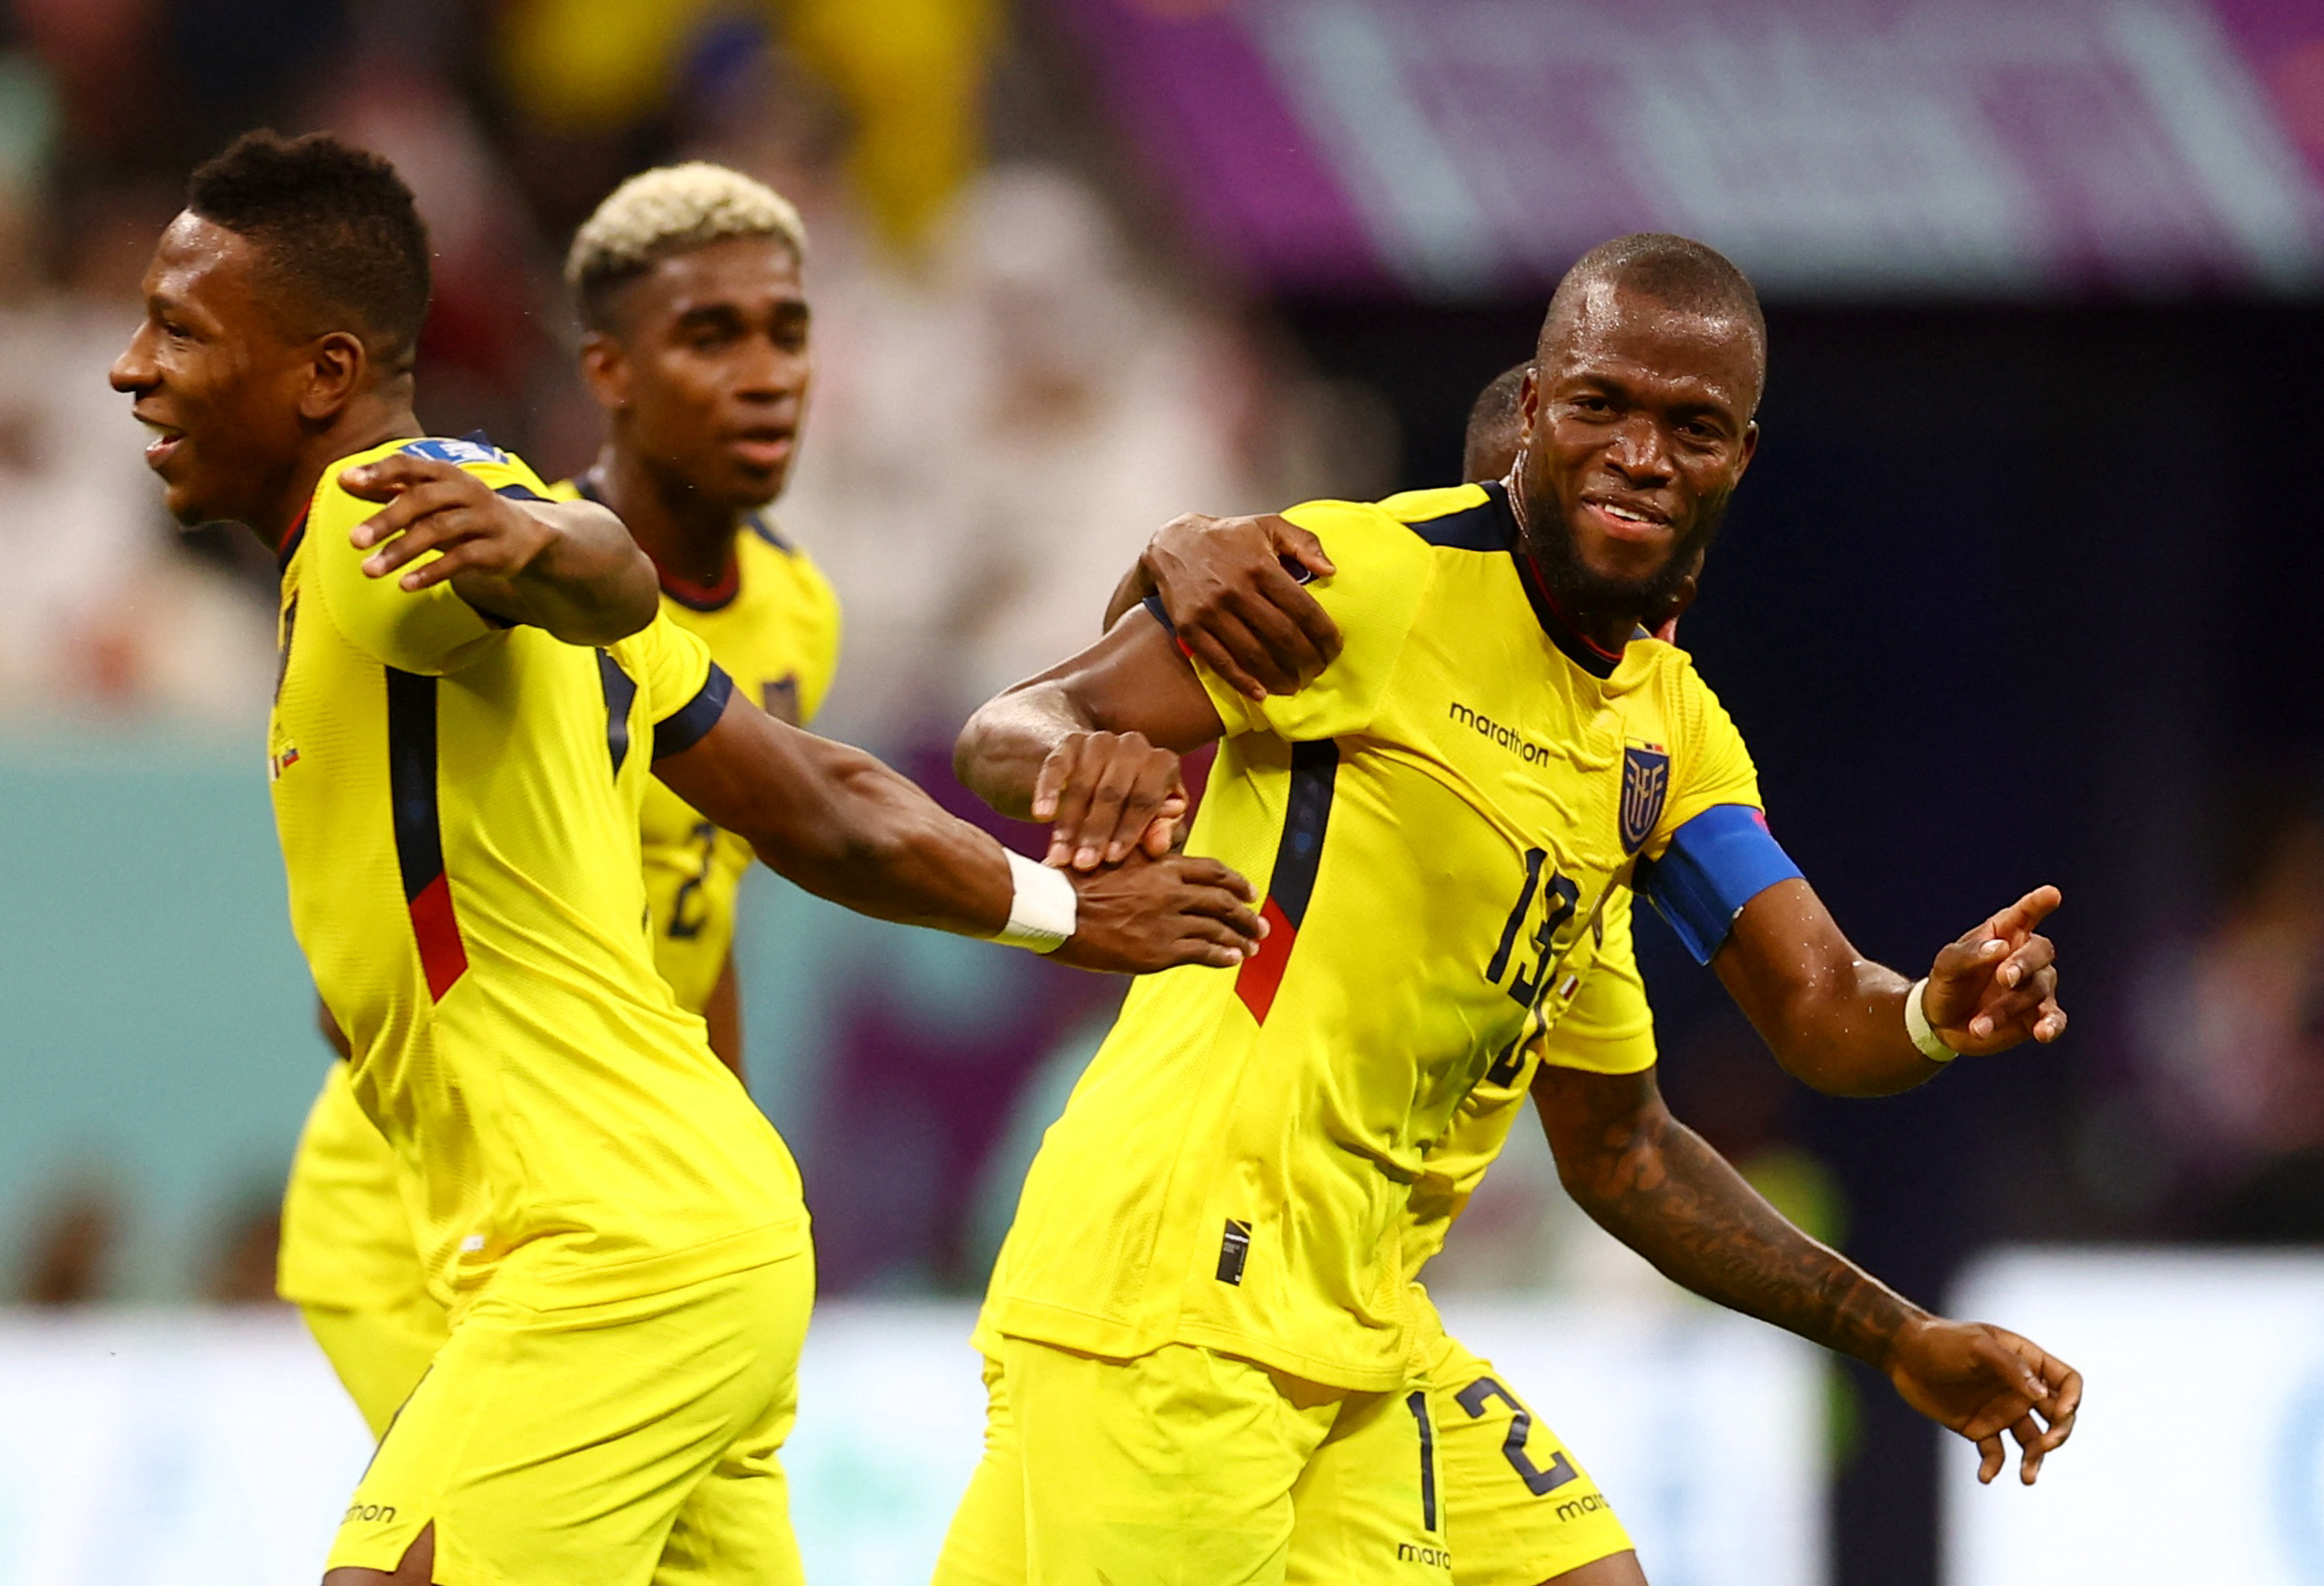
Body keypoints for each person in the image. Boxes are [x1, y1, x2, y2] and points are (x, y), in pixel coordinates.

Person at [111, 129, 1262, 1586]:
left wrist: (553, 550)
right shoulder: (435, 554)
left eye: (178, 329)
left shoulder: (390, 516)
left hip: (610, 1252)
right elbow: (818, 802)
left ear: (323, 375)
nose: (131, 366)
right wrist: (1057, 904)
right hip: (671, 1227)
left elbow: (584, 565)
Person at [937, 234, 2077, 1586]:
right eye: (1602, 407)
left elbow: (1699, 1096)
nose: (1641, 455)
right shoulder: (1372, 576)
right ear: (1534, 415)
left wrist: (1933, 1028)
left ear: (1739, 458)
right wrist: (1079, 755)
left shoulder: (1660, 747)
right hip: (1180, 1294)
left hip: (1355, 1320)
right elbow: (1016, 718)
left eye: (1689, 424)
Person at [275, 161, 847, 1439]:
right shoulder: (496, 578)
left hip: (637, 1189)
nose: (766, 373)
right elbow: (360, 978)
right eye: (711, 335)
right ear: (608, 372)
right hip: (439, 1206)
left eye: (787, 332)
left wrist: (739, 1166)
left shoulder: (798, 603)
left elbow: (713, 895)